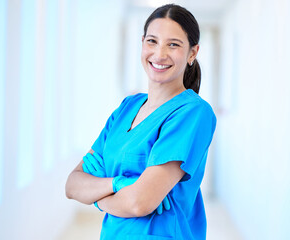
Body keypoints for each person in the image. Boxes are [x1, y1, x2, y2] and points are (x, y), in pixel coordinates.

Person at [65, 4, 217, 240]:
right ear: (142, 42)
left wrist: (96, 196)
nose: (159, 54)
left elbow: (140, 202)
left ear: (192, 53)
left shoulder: (193, 113)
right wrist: (119, 184)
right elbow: (73, 185)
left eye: (173, 44)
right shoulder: (127, 107)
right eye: (152, 41)